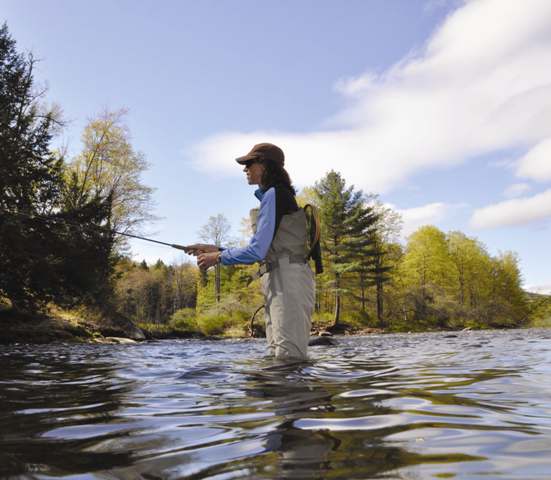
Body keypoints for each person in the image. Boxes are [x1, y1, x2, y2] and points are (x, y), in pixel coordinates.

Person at [185, 143, 315, 361]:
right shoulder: (274, 196)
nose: (244, 169)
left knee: (288, 357)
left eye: (249, 163)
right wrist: (216, 250)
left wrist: (217, 257)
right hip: (279, 278)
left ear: (264, 165)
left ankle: (294, 395)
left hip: (288, 279)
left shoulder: (275, 194)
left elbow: (256, 250)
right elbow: (266, 249)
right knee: (278, 355)